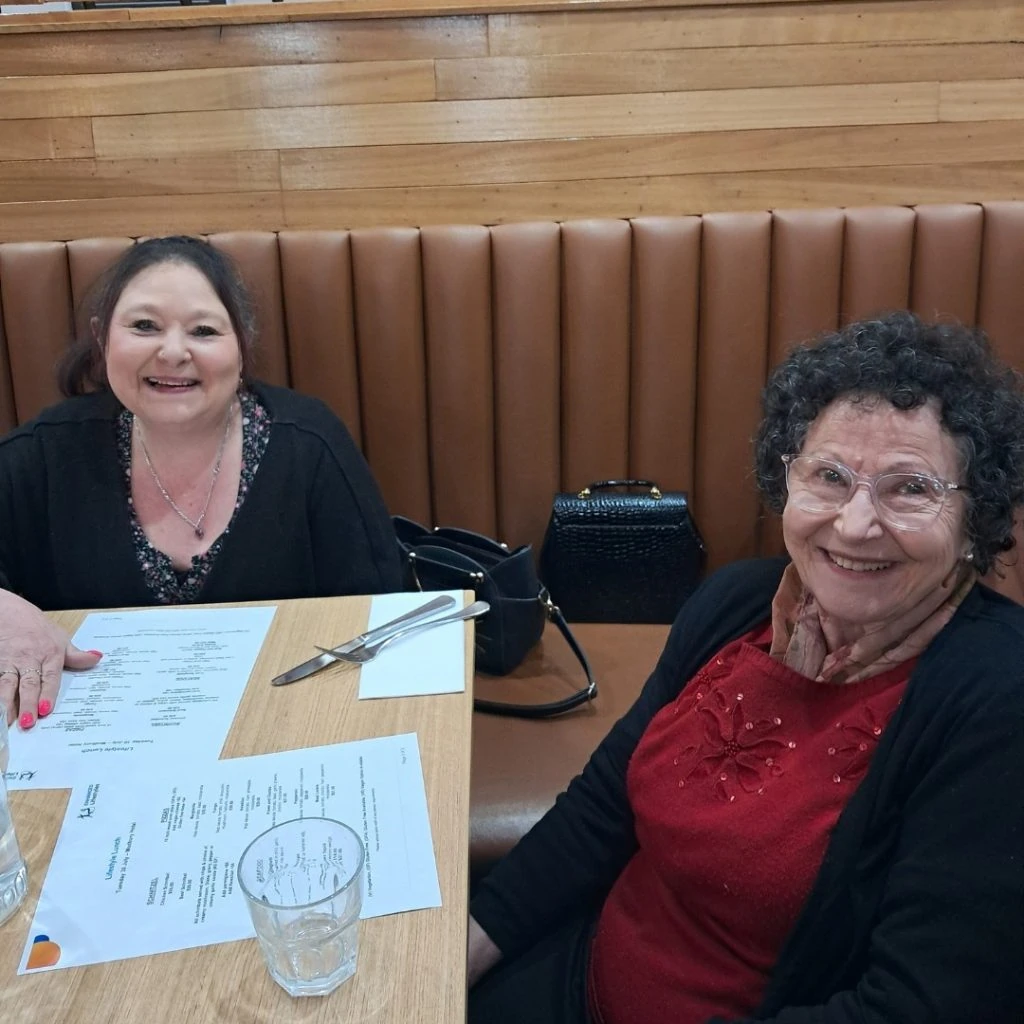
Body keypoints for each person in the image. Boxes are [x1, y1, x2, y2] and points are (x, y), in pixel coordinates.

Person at [467, 312, 1024, 1023]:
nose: (855, 525)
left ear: (976, 518)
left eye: (910, 488)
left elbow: (915, 1006)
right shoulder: (737, 604)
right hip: (581, 975)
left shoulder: (998, 705)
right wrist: (468, 945)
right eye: (829, 476)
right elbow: (604, 805)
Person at [0, 236, 402, 729]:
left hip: (284, 730)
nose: (172, 352)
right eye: (144, 326)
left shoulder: (308, 446)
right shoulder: (45, 454)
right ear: (103, 337)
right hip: (94, 750)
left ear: (241, 346)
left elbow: (382, 613)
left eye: (204, 330)